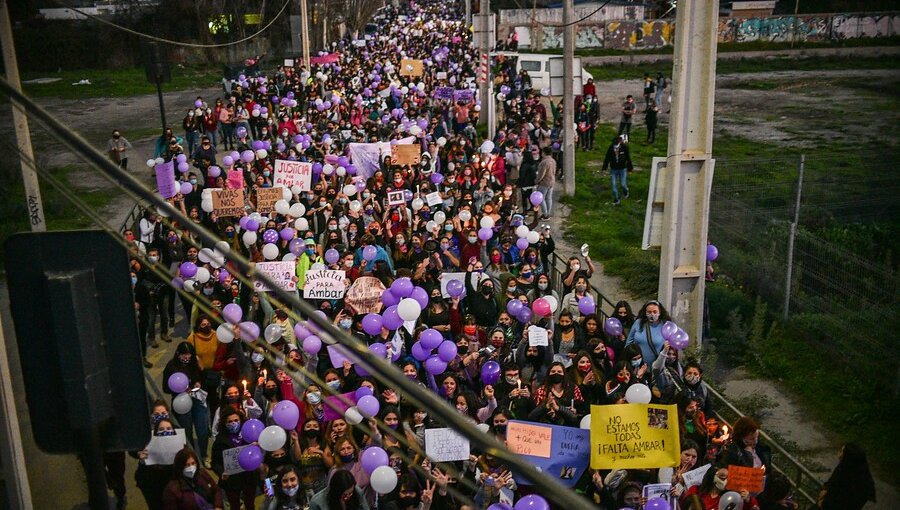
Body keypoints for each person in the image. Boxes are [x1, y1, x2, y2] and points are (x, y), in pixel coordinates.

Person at [818, 443, 876, 509]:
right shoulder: (844, 467)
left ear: (849, 458)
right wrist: (826, 489)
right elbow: (833, 481)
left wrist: (823, 505)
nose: (839, 456)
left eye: (842, 453)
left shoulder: (859, 484)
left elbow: (846, 503)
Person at [625, 300, 670, 364]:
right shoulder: (638, 323)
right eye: (649, 312)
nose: (652, 314)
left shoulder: (665, 325)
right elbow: (628, 344)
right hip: (638, 365)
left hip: (656, 366)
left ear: (660, 312)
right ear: (645, 313)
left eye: (655, 312)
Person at [601, 135, 633, 206]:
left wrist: (630, 168)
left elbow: (628, 158)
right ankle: (616, 199)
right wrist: (604, 167)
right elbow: (607, 158)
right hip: (614, 169)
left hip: (623, 169)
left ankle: (626, 192)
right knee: (614, 186)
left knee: (623, 184)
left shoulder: (624, 147)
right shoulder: (610, 148)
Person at [535, 146, 556, 219]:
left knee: (541, 198)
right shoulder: (553, 161)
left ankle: (545, 214)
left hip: (544, 182)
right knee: (549, 198)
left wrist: (537, 181)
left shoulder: (544, 162)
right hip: (551, 181)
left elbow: (541, 174)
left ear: (544, 153)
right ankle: (548, 213)